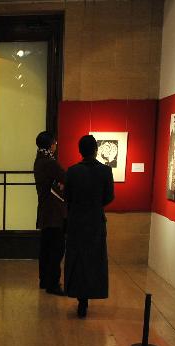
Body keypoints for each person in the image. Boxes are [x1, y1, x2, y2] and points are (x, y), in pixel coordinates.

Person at [64, 134, 114, 318]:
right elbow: (109, 197)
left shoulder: (72, 171)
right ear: (96, 150)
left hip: (76, 221)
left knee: (77, 260)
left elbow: (67, 196)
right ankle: (89, 295)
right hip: (95, 222)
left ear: (80, 151)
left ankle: (80, 298)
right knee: (94, 260)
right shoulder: (105, 171)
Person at [33, 131, 66, 295]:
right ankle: (53, 284)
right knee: (56, 249)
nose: (56, 145)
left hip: (45, 210)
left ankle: (45, 280)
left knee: (46, 248)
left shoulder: (39, 160)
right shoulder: (50, 162)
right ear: (50, 144)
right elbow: (65, 177)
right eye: (55, 142)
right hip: (54, 213)